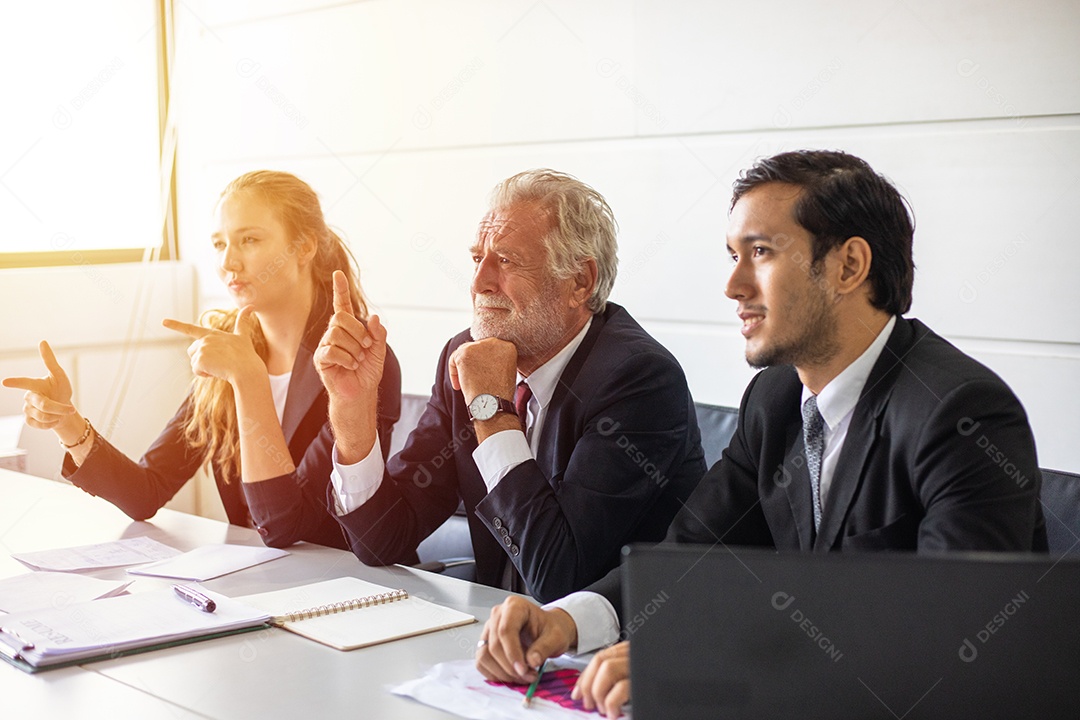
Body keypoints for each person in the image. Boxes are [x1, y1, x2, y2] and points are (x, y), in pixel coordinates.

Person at [475, 150, 1047, 717]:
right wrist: (569, 618)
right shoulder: (774, 399)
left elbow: (954, 648)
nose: (733, 285)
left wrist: (712, 660)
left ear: (849, 266)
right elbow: (692, 557)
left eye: (761, 252)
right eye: (732, 255)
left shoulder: (961, 413)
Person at [314, 168, 706, 603]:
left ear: (580, 282)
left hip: (605, 652)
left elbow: (560, 580)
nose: (479, 283)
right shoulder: (464, 354)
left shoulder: (641, 379)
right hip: (491, 635)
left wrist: (490, 409)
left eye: (506, 260)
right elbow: (381, 541)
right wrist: (351, 410)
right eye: (477, 259)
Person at [3, 170, 401, 550]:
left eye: (249, 240)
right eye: (219, 244)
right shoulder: (230, 349)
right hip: (262, 582)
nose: (228, 263)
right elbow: (147, 491)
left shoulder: (357, 358)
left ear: (304, 247)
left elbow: (285, 525)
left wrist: (248, 379)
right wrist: (69, 423)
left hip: (345, 587)